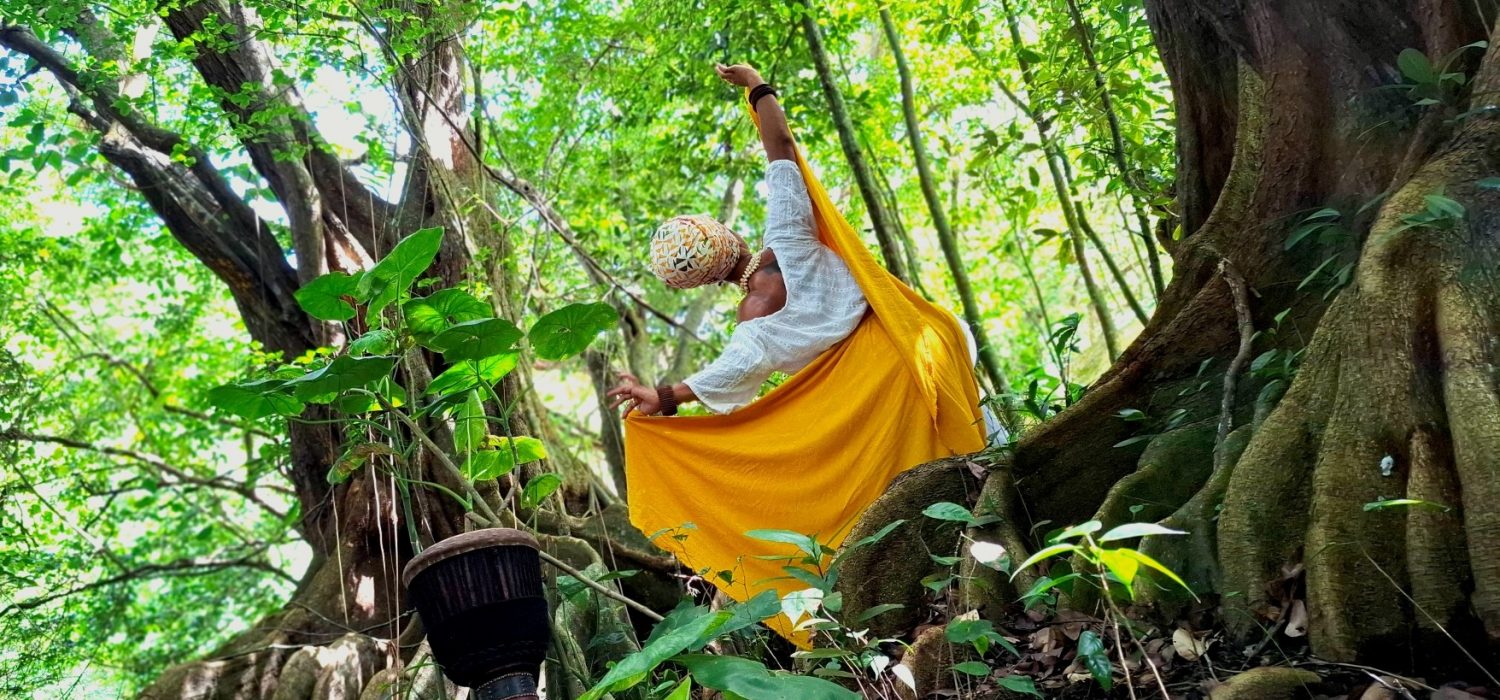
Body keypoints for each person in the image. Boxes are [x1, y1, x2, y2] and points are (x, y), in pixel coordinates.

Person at [612, 63, 990, 645]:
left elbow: (731, 372)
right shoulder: (789, 235)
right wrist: (756, 87)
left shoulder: (753, 321)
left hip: (881, 389)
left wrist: (664, 397)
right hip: (926, 335)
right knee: (981, 449)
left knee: (911, 483)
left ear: (704, 282)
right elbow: (782, 150)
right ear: (728, 237)